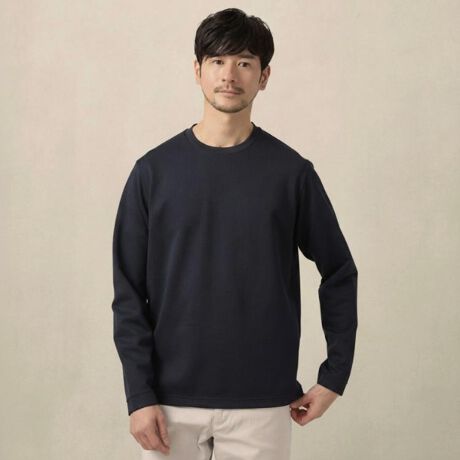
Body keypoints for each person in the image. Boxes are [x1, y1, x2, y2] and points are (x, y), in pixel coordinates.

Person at [111, 7, 358, 460]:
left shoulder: (291, 174)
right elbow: (128, 293)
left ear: (264, 76)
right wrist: (138, 395)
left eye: (244, 62)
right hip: (168, 403)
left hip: (262, 401)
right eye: (218, 61)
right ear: (197, 70)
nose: (229, 75)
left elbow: (339, 271)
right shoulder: (152, 173)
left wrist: (334, 376)